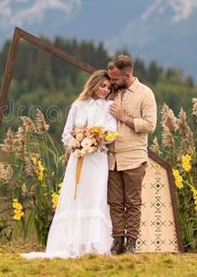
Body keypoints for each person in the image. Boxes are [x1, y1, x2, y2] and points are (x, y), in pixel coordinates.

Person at [21, 70, 118, 259]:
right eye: (102, 85)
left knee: (94, 198)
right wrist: (76, 144)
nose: (105, 90)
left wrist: (96, 140)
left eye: (108, 87)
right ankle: (72, 243)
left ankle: (94, 246)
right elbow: (66, 133)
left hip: (97, 160)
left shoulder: (110, 107)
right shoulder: (78, 105)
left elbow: (111, 132)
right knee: (76, 198)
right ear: (94, 84)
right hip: (79, 159)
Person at [106, 54, 157, 255]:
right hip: (112, 158)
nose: (111, 82)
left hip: (134, 157)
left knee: (133, 203)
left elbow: (150, 125)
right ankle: (117, 241)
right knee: (115, 202)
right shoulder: (112, 92)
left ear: (127, 75)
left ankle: (131, 244)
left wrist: (123, 117)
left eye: (115, 78)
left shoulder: (145, 94)